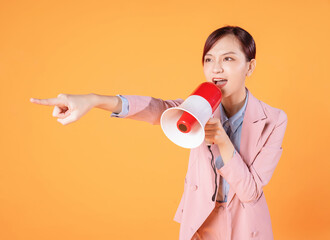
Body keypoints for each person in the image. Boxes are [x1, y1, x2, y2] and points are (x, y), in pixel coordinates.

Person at [30, 25, 288, 240]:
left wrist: (223, 142)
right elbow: (156, 109)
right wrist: (94, 100)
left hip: (247, 227)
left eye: (228, 59)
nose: (216, 68)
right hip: (201, 222)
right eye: (209, 59)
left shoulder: (274, 120)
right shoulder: (197, 107)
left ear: (250, 67)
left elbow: (251, 191)